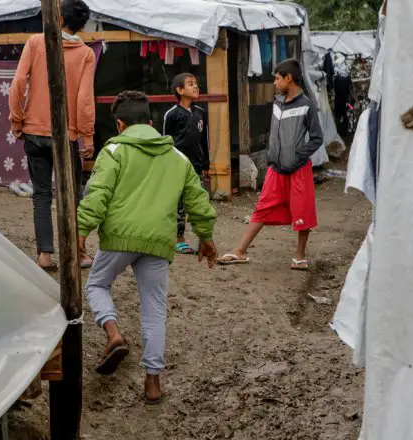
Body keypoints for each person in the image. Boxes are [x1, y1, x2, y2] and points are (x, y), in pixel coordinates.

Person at [78, 91, 217, 404]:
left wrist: (81, 232)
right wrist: (206, 238)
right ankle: (153, 382)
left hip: (118, 238)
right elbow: (198, 201)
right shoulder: (178, 158)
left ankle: (113, 333)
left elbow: (96, 195)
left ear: (119, 124)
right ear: (153, 123)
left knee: (97, 284)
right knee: (154, 311)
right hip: (158, 242)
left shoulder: (113, 150)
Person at [9, 0, 95, 272]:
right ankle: (79, 251)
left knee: (42, 195)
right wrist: (87, 136)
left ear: (58, 18)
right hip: (66, 135)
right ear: (82, 25)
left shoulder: (35, 42)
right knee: (73, 196)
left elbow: (19, 82)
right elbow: (84, 99)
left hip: (34, 132)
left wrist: (17, 120)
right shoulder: (85, 54)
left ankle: (45, 255)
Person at [218, 59, 323, 270]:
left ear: (288, 78)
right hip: (276, 169)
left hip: (298, 169)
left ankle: (299, 257)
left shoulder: (307, 106)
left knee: (303, 211)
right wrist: (272, 155)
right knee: (262, 207)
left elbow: (316, 138)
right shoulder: (277, 103)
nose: (275, 83)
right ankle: (240, 251)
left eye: (277, 79)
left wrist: (296, 156)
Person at [162, 73, 211, 255]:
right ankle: (178, 238)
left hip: (196, 167)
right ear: (180, 90)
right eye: (191, 84)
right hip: (177, 167)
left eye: (196, 84)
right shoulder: (172, 114)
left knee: (198, 203)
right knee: (179, 205)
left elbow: (204, 141)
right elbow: (166, 143)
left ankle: (203, 240)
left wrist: (206, 165)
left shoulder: (200, 113)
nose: (196, 87)